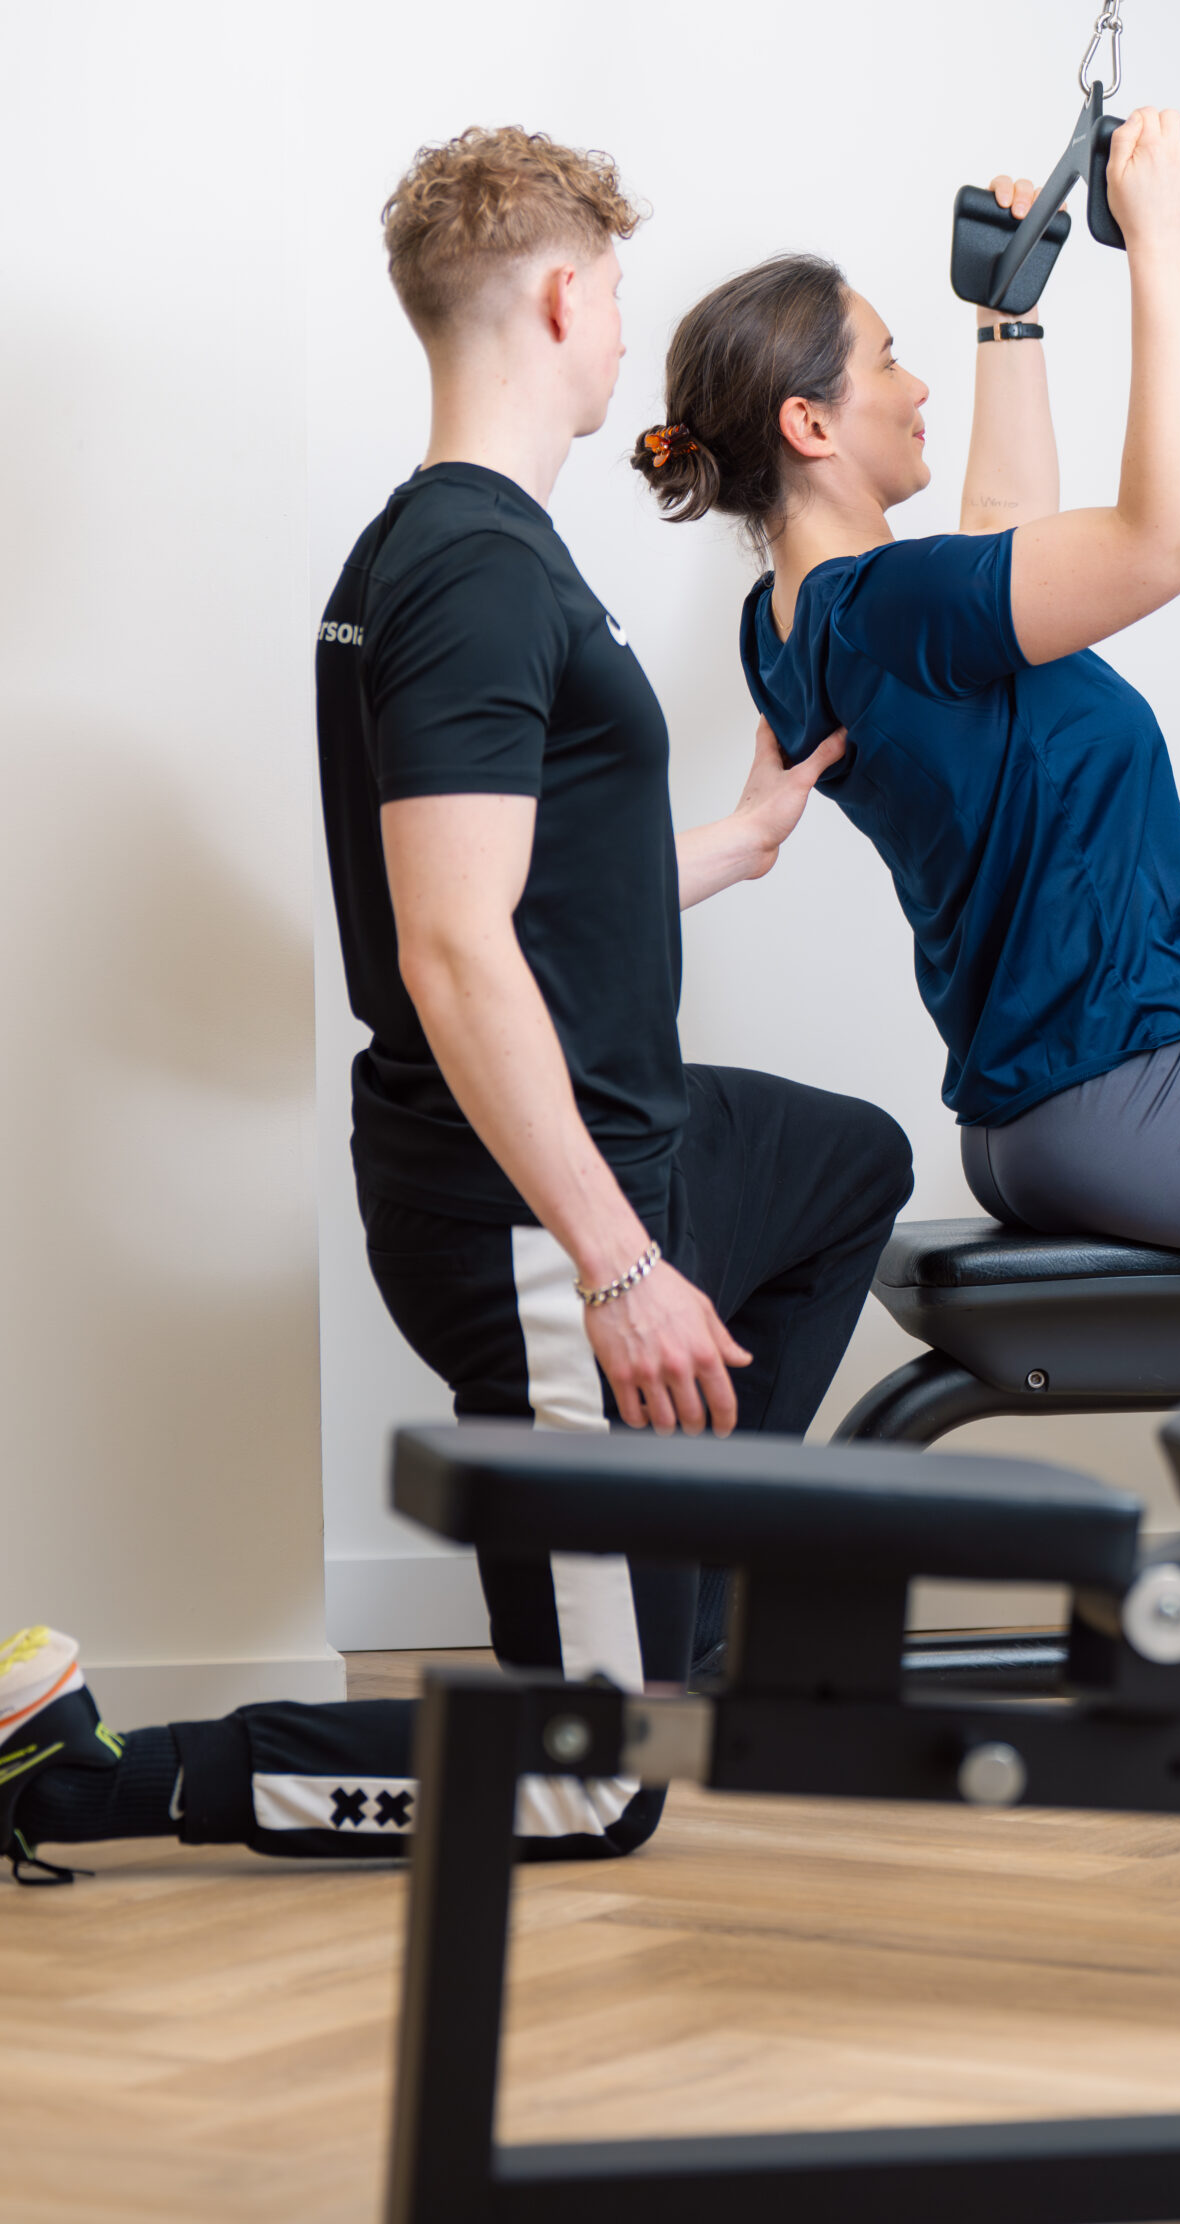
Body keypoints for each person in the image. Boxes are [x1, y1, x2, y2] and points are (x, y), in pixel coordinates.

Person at [4, 128, 913, 1884]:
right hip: (528, 1202)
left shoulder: (460, 552)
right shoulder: (473, 572)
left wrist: (719, 847)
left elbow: (522, 877)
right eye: (616, 298)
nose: (618, 333)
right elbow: (448, 946)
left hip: (611, 1133)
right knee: (593, 1785)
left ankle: (661, 1605)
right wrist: (618, 1267)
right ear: (565, 297)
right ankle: (76, 1777)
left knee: (845, 1163)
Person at [631, 109, 1180, 1272]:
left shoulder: (788, 627)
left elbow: (1002, 544)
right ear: (809, 423)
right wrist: (1162, 248)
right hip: (1140, 1096)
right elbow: (1173, 535)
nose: (913, 382)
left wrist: (1012, 321)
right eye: (888, 360)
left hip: (1043, 1121)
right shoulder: (883, 602)